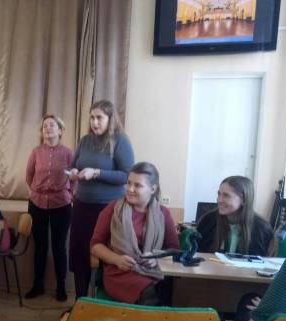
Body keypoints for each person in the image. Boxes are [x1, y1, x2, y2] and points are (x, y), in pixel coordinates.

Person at [68, 100, 134, 299]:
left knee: (107, 255)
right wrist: (73, 172)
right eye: (92, 118)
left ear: (110, 119)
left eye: (99, 118)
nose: (94, 122)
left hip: (108, 208)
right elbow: (72, 165)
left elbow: (127, 175)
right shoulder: (85, 140)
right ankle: (81, 302)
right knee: (79, 254)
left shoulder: (120, 141)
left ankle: (105, 302)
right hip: (82, 206)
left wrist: (96, 172)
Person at [90, 162, 179, 304]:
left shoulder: (163, 213)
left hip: (153, 272)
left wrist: (156, 258)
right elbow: (95, 245)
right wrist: (116, 259)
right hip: (119, 273)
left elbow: (174, 250)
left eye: (137, 185)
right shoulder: (113, 209)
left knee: (167, 290)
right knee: (152, 294)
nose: (130, 189)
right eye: (129, 183)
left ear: (153, 189)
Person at [24, 115, 73, 301]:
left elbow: (74, 178)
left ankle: (61, 287)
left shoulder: (68, 153)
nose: (48, 128)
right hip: (37, 204)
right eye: (45, 126)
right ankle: (38, 285)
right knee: (40, 247)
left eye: (52, 125)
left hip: (62, 205)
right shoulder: (36, 152)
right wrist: (38, 191)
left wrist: (68, 193)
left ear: (60, 130)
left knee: (59, 247)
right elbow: (29, 176)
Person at [197, 176, 273, 256]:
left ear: (244, 199)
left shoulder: (262, 229)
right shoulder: (208, 221)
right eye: (219, 194)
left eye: (226, 195)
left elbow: (263, 261)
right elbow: (197, 255)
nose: (219, 200)